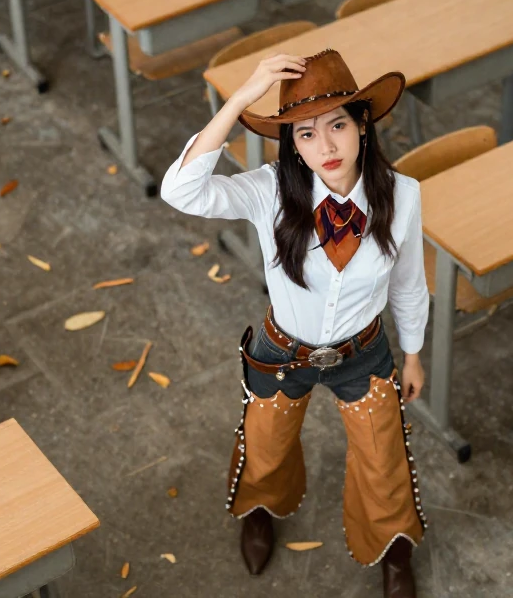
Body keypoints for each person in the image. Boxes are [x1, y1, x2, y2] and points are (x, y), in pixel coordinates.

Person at [160, 49, 429, 598]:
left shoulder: (403, 196)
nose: (325, 146)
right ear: (291, 144)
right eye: (305, 135)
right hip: (283, 353)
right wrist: (240, 98)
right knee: (266, 447)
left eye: (337, 125)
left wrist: (415, 352)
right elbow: (180, 190)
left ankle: (394, 552)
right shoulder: (269, 191)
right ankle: (260, 511)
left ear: (363, 125)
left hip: (364, 352)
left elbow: (407, 281)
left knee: (385, 461)